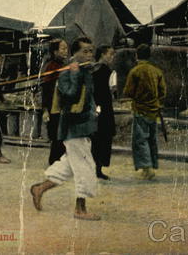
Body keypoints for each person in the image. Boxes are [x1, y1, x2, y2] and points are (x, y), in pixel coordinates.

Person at [30, 37, 101, 221]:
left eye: (91, 51)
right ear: (74, 53)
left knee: (69, 165)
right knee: (85, 166)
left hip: (84, 125)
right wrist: (76, 74)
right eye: (84, 51)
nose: (89, 55)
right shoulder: (67, 73)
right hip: (73, 127)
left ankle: (40, 188)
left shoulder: (85, 71)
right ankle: (80, 209)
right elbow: (69, 96)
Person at [123, 44, 166, 181]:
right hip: (154, 110)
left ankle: (147, 168)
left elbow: (128, 92)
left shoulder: (135, 72)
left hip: (140, 109)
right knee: (152, 139)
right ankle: (152, 165)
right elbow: (163, 92)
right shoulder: (157, 71)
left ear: (137, 56)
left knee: (141, 140)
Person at [41, 38, 68, 165]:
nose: (65, 51)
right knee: (57, 136)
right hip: (54, 106)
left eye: (66, 48)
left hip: (62, 105)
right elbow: (46, 89)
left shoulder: (63, 65)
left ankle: (58, 162)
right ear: (55, 51)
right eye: (62, 48)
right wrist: (45, 109)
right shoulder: (51, 66)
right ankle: (54, 163)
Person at [91, 45, 117, 180]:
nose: (112, 57)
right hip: (102, 108)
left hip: (101, 106)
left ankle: (97, 168)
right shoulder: (101, 69)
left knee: (100, 138)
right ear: (102, 54)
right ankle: (97, 169)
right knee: (102, 138)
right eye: (110, 54)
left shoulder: (101, 69)